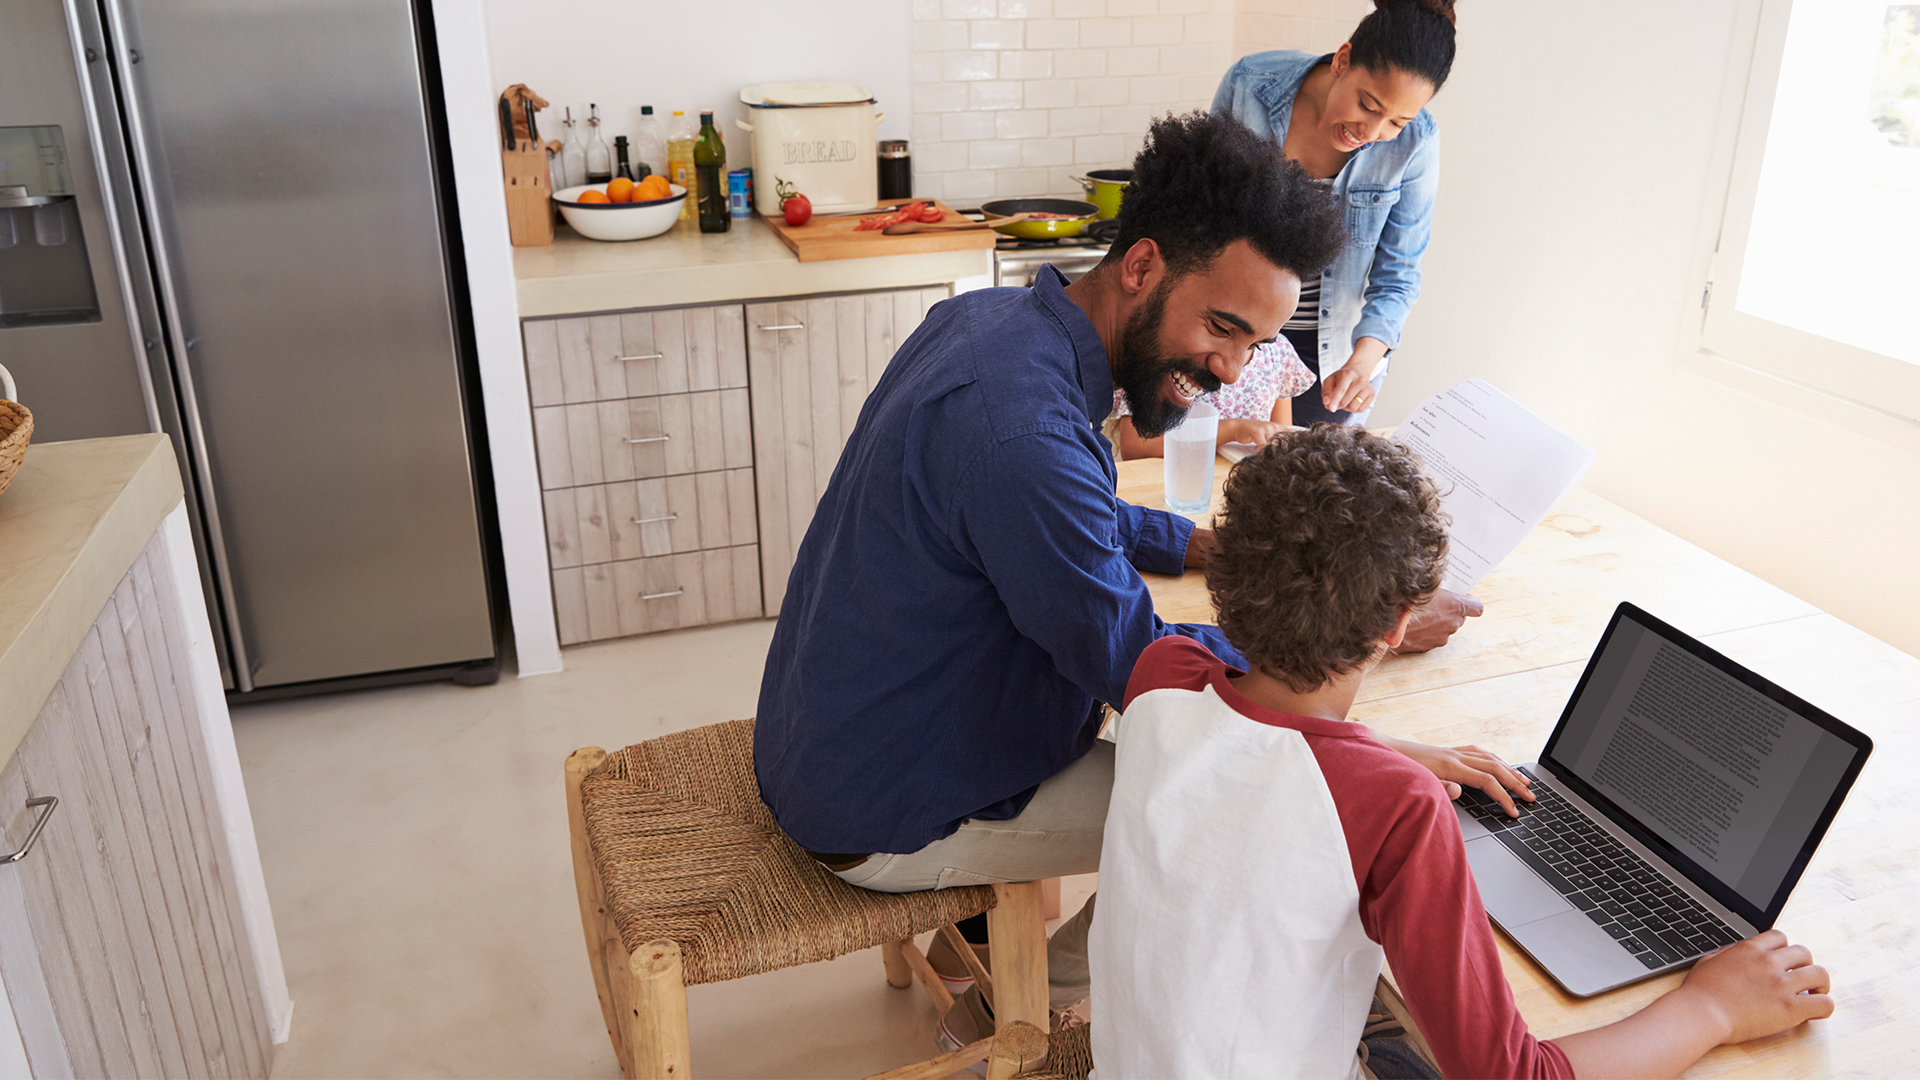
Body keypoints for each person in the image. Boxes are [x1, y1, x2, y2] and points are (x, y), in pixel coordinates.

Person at [752, 111, 1507, 1046]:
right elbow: (1147, 675)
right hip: (885, 797)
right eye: (1222, 328)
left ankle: (982, 950)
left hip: (825, 735)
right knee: (1237, 804)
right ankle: (1010, 1008)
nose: (1230, 370)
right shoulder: (1023, 438)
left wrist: (1215, 550)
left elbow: (1067, 514)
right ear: (1142, 266)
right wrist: (1354, 638)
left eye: (1253, 345)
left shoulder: (988, 327)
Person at [1090, 426, 1835, 1079]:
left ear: (1226, 576)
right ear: (1399, 627)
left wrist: (1383, 750)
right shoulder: (1392, 806)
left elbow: (1258, 732)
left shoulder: (1162, 675)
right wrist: (1712, 1008)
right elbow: (1509, 1074)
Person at [1213, 0, 1459, 426]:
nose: (1372, 134)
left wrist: (1362, 365)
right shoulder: (1251, 83)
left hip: (1325, 358)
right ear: (1343, 60)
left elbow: (1398, 275)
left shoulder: (1418, 143)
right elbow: (1200, 207)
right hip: (1231, 330)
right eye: (1367, 104)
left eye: (1396, 123)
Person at [1107, 337, 1315, 460]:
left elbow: (1279, 439)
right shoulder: (1174, 347)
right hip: (1174, 492)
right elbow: (1136, 446)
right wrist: (1232, 430)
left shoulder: (1279, 353)